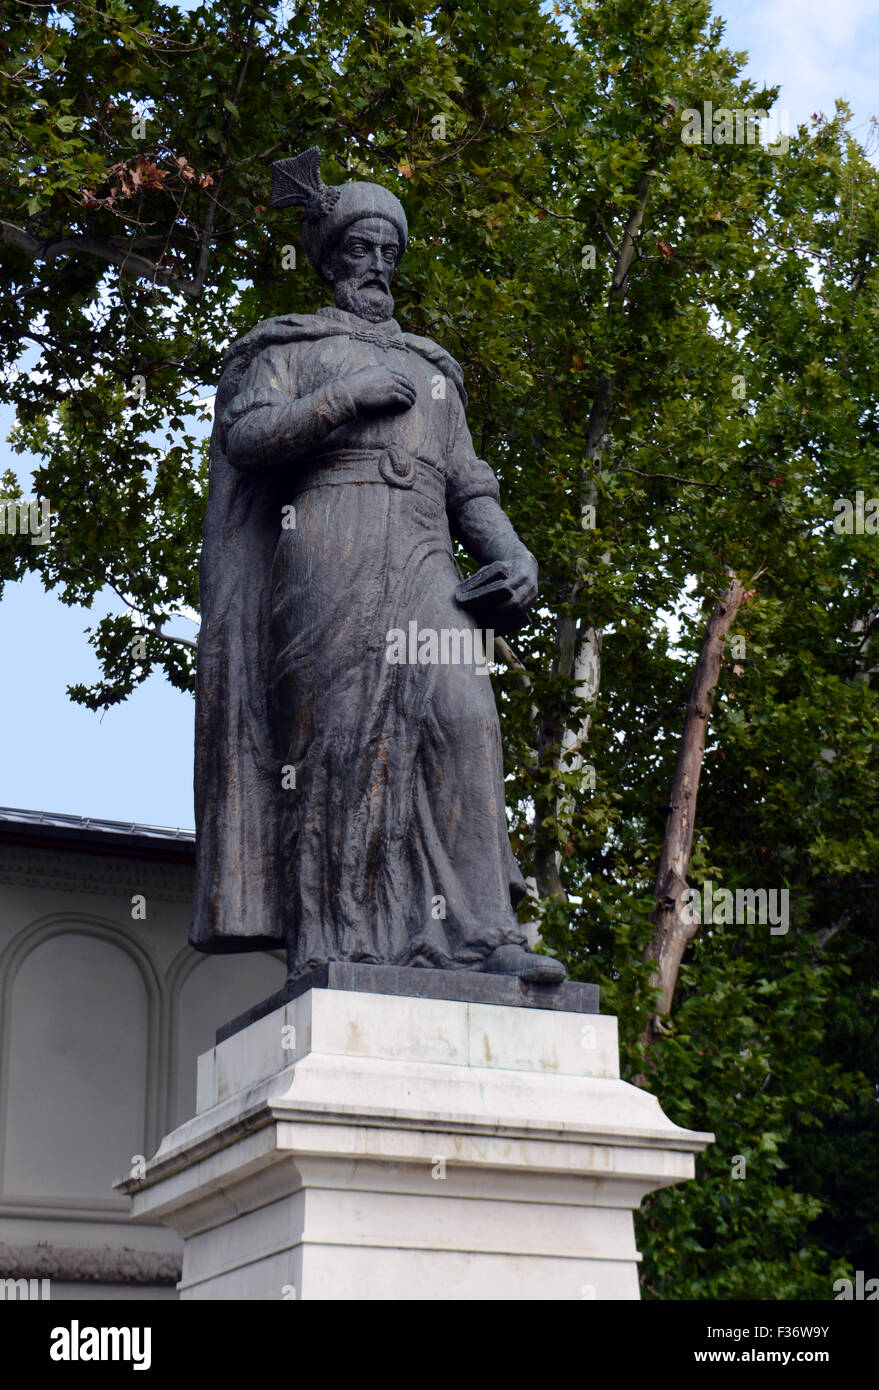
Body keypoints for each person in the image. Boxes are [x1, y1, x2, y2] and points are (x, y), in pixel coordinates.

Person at [190, 147, 564, 986]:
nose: (377, 265)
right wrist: (342, 399)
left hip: (428, 554)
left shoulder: (435, 370)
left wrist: (509, 551)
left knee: (463, 725)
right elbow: (246, 440)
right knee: (336, 742)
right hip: (327, 546)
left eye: (389, 251)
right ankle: (337, 939)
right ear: (329, 259)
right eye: (360, 248)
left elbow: (470, 484)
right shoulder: (286, 349)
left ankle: (481, 934)